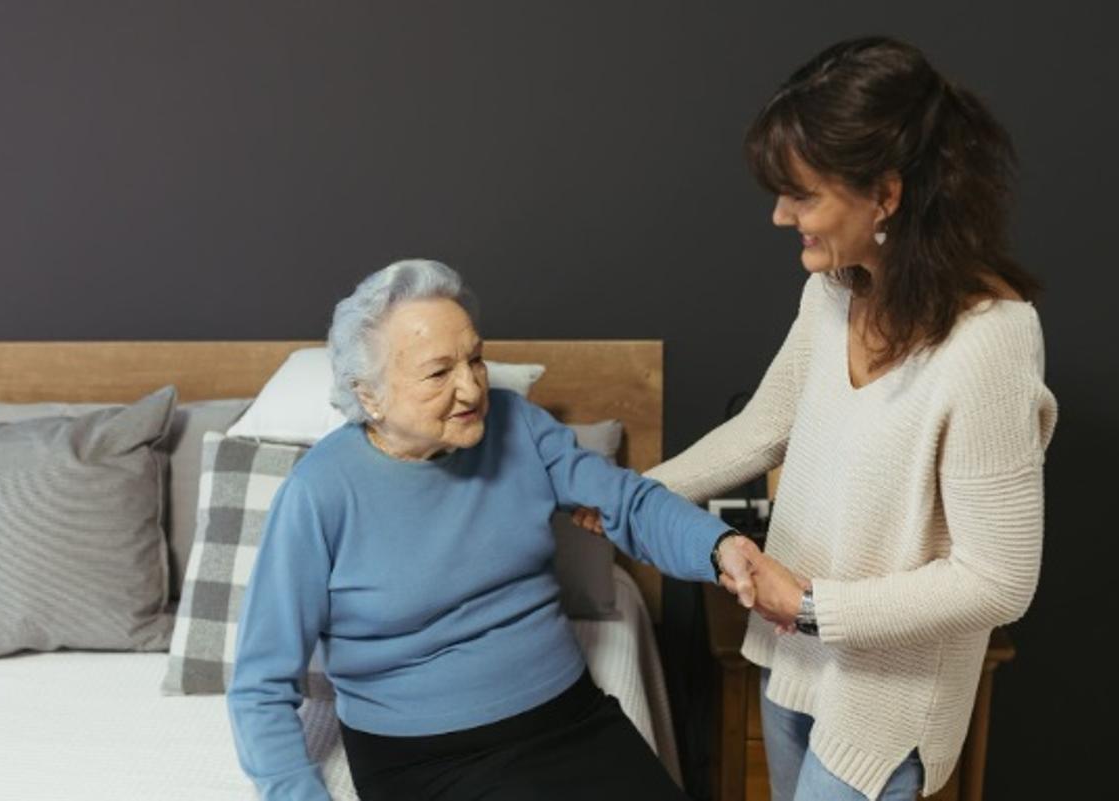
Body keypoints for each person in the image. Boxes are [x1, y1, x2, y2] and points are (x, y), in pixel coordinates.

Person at [574, 37, 1057, 800]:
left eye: (802, 194)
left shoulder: (991, 342)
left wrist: (809, 605)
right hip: (796, 660)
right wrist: (633, 493)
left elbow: (998, 581)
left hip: (883, 697)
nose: (779, 215)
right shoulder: (835, 291)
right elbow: (766, 424)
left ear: (886, 194)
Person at [226, 259, 759, 801]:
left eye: (475, 359)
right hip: (423, 760)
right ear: (369, 396)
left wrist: (719, 548)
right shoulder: (318, 492)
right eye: (439, 373)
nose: (471, 388)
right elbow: (258, 686)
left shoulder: (519, 425)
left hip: (568, 721)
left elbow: (630, 503)